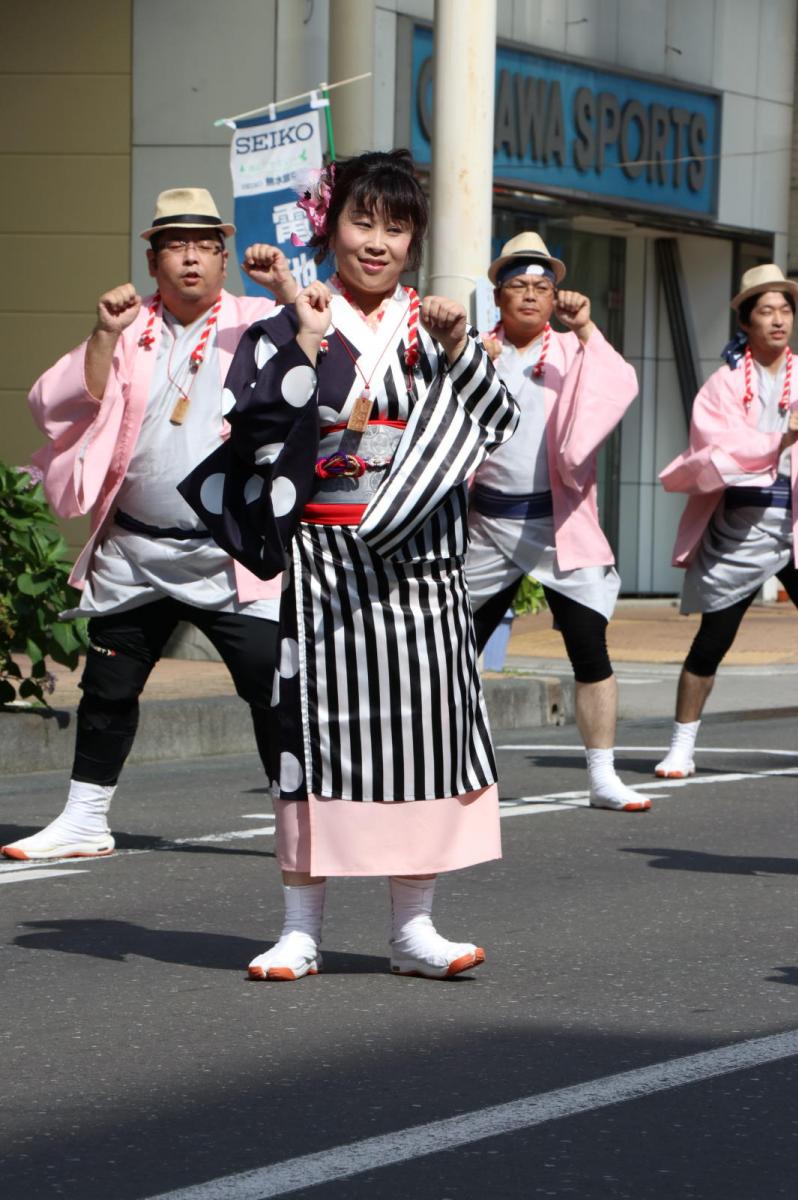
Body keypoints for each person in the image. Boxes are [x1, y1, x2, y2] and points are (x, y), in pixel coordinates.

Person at [182, 150, 519, 980]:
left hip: (421, 562)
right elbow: (250, 429)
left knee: (425, 735)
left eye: (395, 228)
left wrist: (459, 348)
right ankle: (300, 929)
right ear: (328, 227)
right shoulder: (291, 321)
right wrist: (304, 336)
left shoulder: (434, 327)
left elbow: (497, 419)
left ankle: (413, 928)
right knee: (312, 737)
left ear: (413, 241)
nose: (377, 242)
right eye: (361, 222)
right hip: (325, 558)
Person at [1, 187, 298, 862]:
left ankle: (297, 818)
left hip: (232, 554)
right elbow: (54, 405)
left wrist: (284, 287)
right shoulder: (128, 325)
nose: (191, 258)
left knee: (272, 685)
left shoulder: (256, 319)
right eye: (176, 245)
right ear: (152, 259)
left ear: (223, 259)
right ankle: (84, 820)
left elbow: (326, 356)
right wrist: (104, 333)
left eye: (204, 246)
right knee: (107, 688)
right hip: (134, 549)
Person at [465, 232, 649, 812]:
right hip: (486, 524)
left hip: (560, 521)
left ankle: (602, 775)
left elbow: (620, 383)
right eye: (517, 285)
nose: (529, 295)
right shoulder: (474, 351)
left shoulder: (573, 349)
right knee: (453, 650)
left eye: (540, 287)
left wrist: (587, 327)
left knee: (589, 648)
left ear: (554, 298)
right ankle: (456, 769)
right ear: (498, 296)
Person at [654, 264, 798, 778]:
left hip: (795, 523)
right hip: (739, 524)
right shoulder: (722, 384)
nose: (778, 320)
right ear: (745, 321)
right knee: (712, 641)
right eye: (767, 311)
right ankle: (681, 745)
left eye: (785, 310)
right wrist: (778, 440)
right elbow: (716, 449)